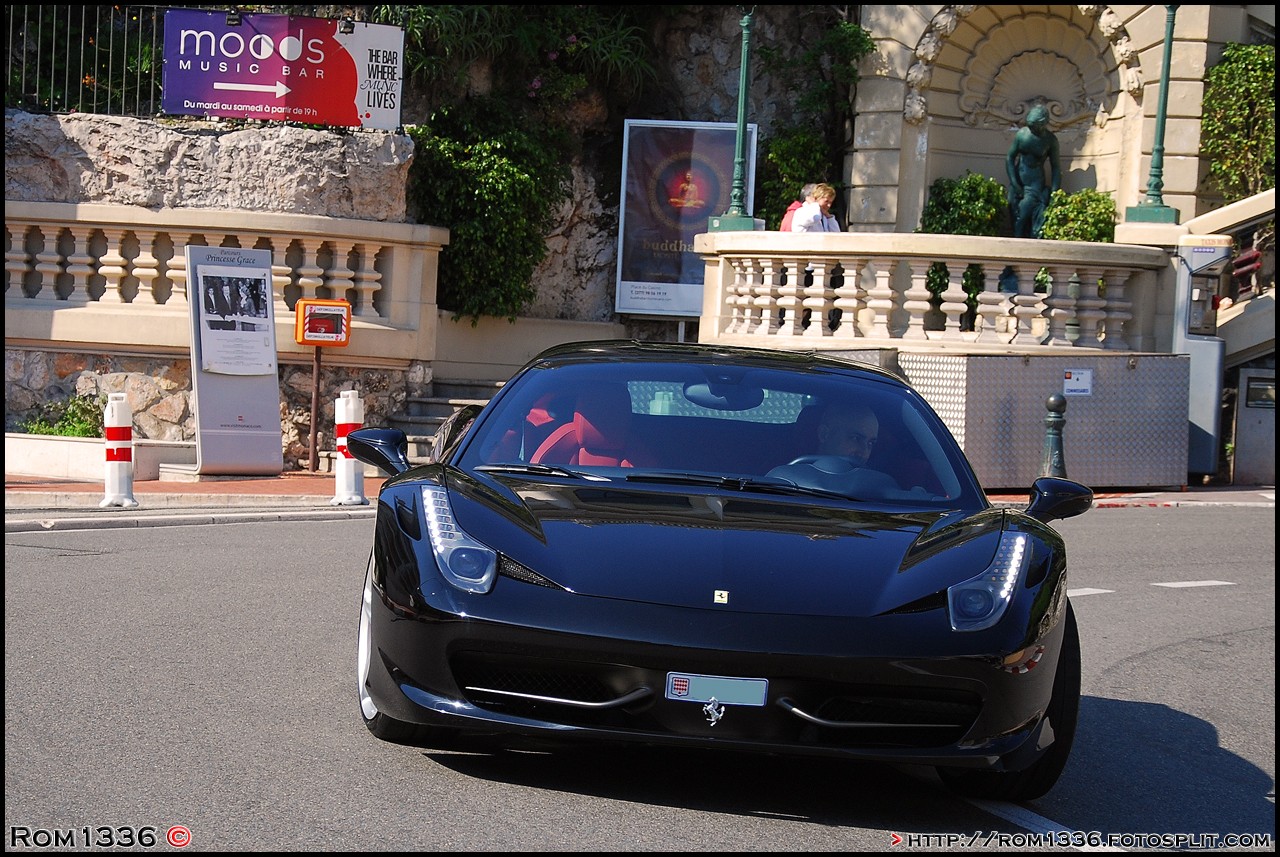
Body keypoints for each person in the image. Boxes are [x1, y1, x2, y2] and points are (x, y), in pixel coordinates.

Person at [1006, 104, 1061, 238]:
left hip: (1034, 184)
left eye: (1034, 126)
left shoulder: (1050, 140)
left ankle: (1019, 248)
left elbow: (1056, 168)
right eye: (1029, 125)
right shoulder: (1022, 135)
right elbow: (1009, 158)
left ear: (1043, 124)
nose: (1031, 128)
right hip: (1018, 181)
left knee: (1022, 214)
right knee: (1013, 211)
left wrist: (1054, 193)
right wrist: (1014, 182)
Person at [816, 403, 879, 468]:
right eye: (856, 438)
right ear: (823, 434)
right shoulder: (804, 472)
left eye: (870, 443)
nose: (865, 454)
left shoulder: (872, 477)